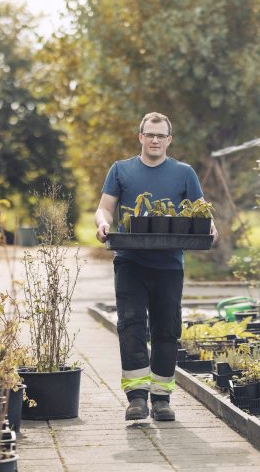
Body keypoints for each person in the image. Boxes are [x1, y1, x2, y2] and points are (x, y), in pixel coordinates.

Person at [95, 112, 217, 421]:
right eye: (150, 134)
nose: (155, 140)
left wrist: (211, 228)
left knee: (167, 330)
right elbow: (105, 208)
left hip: (169, 263)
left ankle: (162, 398)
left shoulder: (184, 173)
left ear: (169, 140)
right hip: (130, 260)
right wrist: (102, 225)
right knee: (131, 325)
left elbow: (201, 211)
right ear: (140, 137)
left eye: (161, 135)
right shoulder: (121, 170)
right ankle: (137, 398)